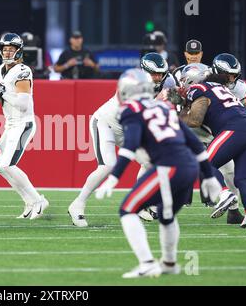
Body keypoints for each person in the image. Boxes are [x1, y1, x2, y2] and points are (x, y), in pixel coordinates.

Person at [94, 68, 222, 278]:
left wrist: (114, 177)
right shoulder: (164, 107)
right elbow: (195, 144)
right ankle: (169, 263)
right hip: (189, 167)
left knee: (128, 209)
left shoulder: (131, 109)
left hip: (168, 167)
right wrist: (207, 175)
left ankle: (146, 263)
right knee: (167, 214)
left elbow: (130, 146)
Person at [179, 63, 246, 228]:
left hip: (235, 128)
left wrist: (180, 114)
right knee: (242, 178)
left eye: (185, 80)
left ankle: (224, 194)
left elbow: (195, 120)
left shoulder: (198, 88)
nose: (183, 83)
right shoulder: (221, 88)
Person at [67, 77, 154, 227]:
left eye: (160, 74)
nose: (157, 77)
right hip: (105, 123)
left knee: (150, 161)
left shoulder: (168, 84)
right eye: (153, 73)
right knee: (108, 166)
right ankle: (77, 204)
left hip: (126, 129)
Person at [0, 33, 49, 220]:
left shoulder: (23, 71)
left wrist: (2, 92)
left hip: (24, 123)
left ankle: (39, 200)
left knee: (7, 165)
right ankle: (29, 202)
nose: (8, 52)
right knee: (1, 167)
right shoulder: (1, 69)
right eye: (5, 49)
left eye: (11, 49)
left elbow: (22, 104)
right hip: (10, 124)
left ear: (19, 51)